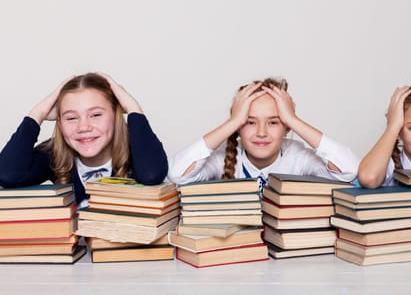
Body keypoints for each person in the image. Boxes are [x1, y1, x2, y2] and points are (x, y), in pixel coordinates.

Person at [0, 72, 168, 208]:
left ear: (116, 115)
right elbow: (8, 174)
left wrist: (133, 109)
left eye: (95, 115)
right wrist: (38, 113)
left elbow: (152, 174)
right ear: (59, 123)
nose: (83, 127)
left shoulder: (138, 153)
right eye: (71, 118)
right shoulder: (53, 155)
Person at [167, 77, 359, 190]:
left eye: (274, 122)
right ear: (239, 126)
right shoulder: (222, 158)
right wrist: (232, 122)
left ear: (286, 126)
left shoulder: (297, 156)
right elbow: (178, 175)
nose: (261, 132)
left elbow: (349, 170)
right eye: (250, 122)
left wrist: (293, 120)